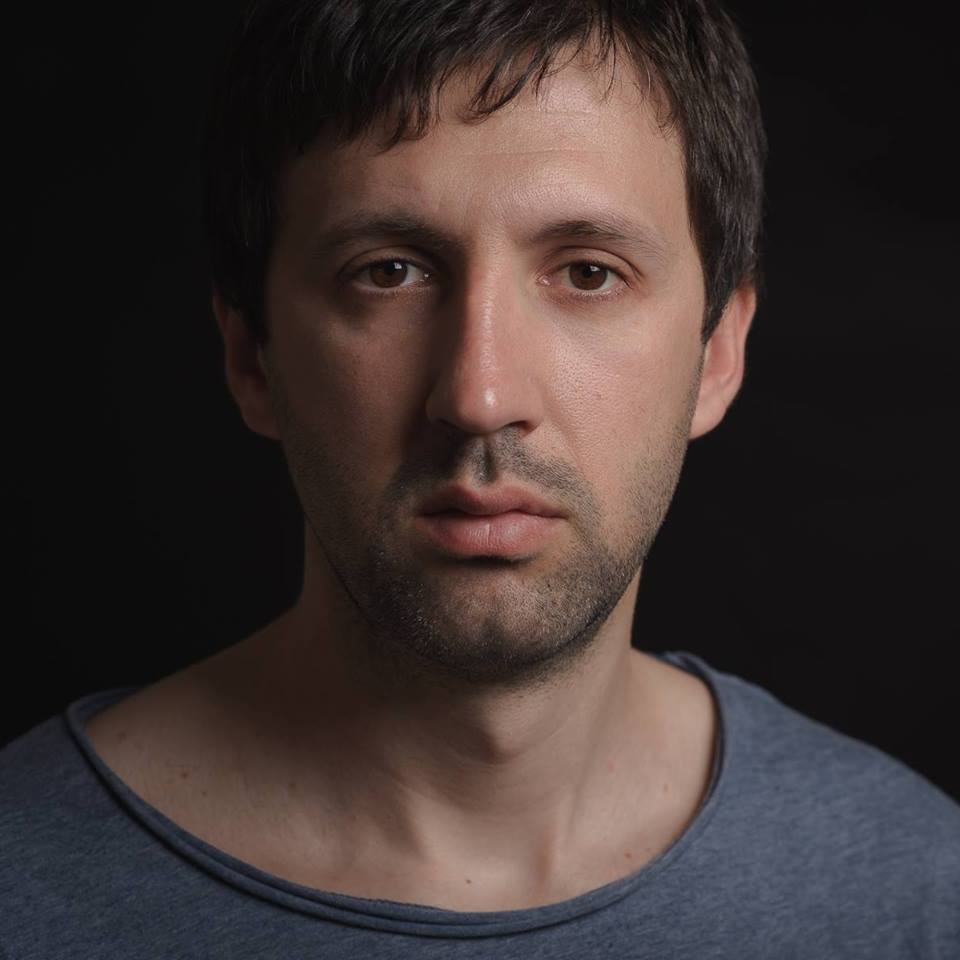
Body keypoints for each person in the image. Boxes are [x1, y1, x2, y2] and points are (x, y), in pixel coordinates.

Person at [2, 0, 958, 955]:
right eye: (389, 272)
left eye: (588, 273)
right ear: (253, 356)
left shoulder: (912, 894)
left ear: (717, 354)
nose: (480, 395)